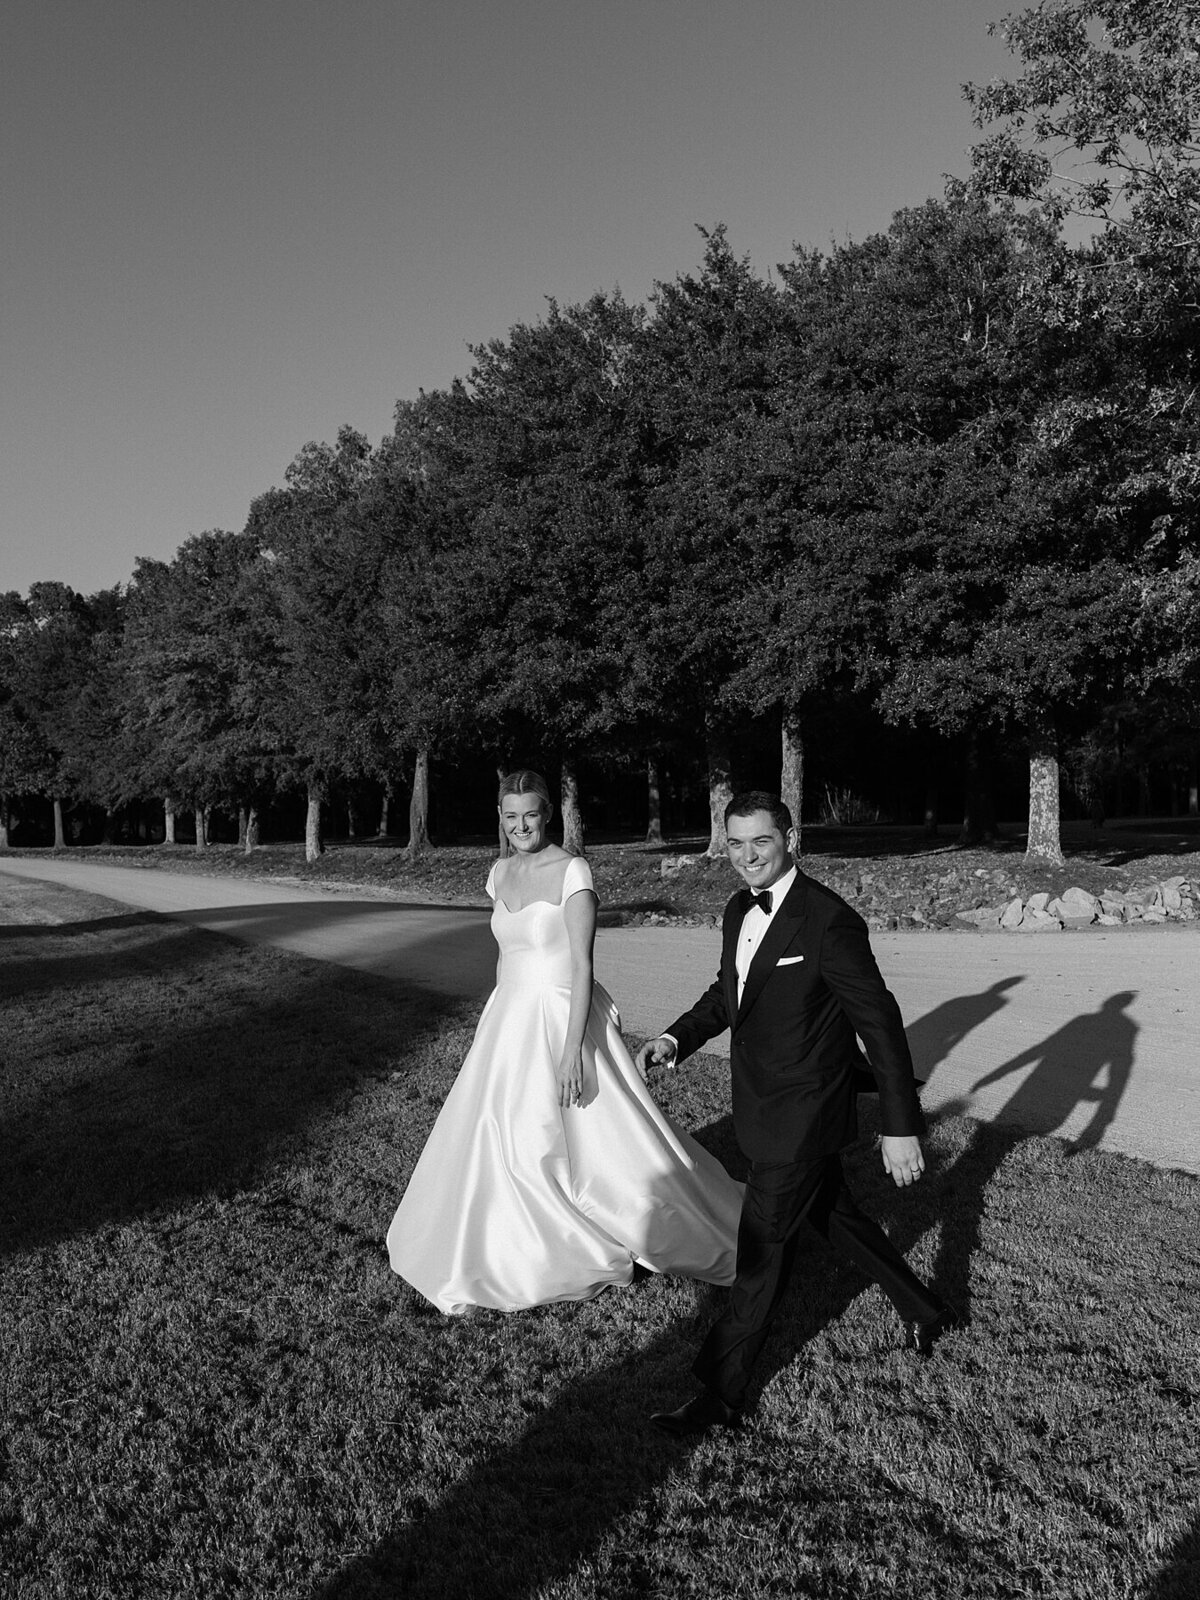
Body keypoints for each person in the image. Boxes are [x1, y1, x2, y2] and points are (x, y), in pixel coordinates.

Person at [635, 791, 957, 1436]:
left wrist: (900, 1125)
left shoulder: (827, 921)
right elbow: (729, 994)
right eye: (737, 843)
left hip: (804, 1114)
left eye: (762, 840)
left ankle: (719, 1398)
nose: (749, 855)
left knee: (760, 1255)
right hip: (763, 1104)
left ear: (791, 838)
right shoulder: (736, 909)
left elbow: (880, 1024)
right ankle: (925, 1307)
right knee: (835, 1218)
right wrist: (676, 1038)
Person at [387, 770, 743, 1313]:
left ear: (547, 813)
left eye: (530, 814)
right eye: (511, 817)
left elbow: (582, 965)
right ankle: (511, 1243)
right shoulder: (498, 873)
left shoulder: (573, 871)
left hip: (563, 1017)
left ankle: (646, 1225)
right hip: (510, 1020)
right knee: (502, 1131)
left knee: (604, 1142)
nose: (521, 825)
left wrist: (573, 1047)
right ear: (501, 820)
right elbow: (508, 955)